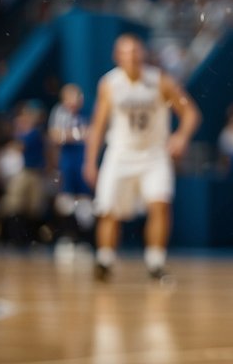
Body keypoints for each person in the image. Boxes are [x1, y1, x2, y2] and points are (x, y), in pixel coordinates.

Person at [84, 35, 201, 282]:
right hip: (120, 152)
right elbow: (98, 125)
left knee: (159, 204)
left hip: (154, 154)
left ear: (143, 54)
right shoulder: (109, 83)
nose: (132, 57)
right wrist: (90, 161)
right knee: (108, 210)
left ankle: (156, 262)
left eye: (136, 51)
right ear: (117, 57)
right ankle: (105, 261)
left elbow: (190, 113)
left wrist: (181, 136)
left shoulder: (160, 81)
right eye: (126, 52)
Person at [49, 84, 94, 260]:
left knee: (85, 203)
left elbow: (93, 134)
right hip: (67, 162)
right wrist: (77, 134)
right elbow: (55, 135)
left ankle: (84, 240)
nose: (76, 101)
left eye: (78, 97)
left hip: (82, 161)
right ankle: (67, 237)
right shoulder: (60, 113)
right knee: (66, 200)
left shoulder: (85, 113)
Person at [0, 102, 47, 246]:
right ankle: (16, 238)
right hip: (26, 171)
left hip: (33, 172)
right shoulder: (28, 133)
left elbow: (19, 146)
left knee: (32, 208)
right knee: (16, 206)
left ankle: (27, 238)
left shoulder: (34, 132)